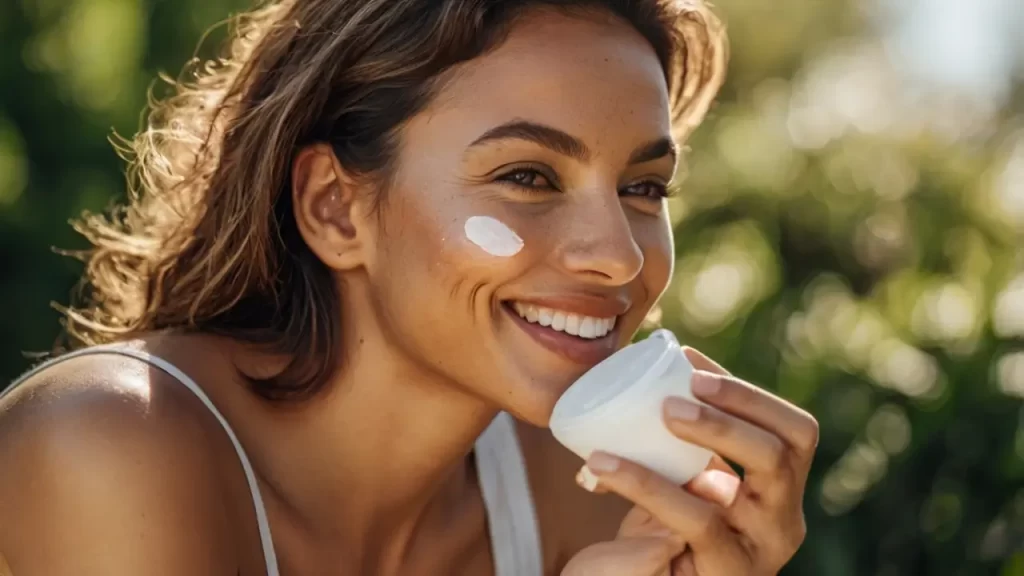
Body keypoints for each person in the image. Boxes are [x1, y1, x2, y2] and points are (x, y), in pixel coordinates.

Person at [0, 0, 819, 574]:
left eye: (644, 189)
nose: (618, 258)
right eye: (528, 175)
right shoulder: (109, 441)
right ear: (336, 208)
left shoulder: (592, 500)